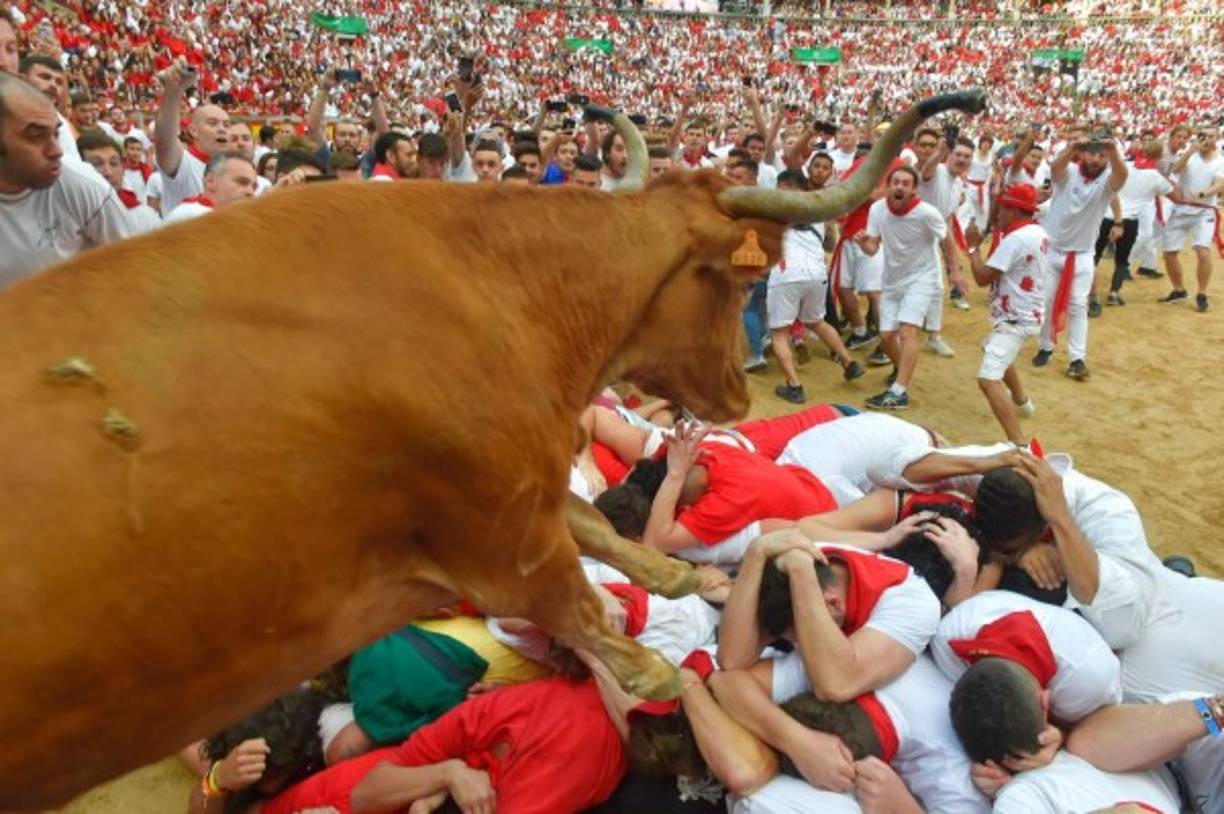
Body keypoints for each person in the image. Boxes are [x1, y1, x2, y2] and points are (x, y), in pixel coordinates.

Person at [0, 72, 132, 287]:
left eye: (55, 134)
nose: (56, 151)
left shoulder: (83, 184)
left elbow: (132, 269)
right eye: (35, 136)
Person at [1031, 132, 1127, 380]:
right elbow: (1056, 168)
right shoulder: (1069, 172)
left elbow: (1121, 176)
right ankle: (1045, 346)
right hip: (1052, 249)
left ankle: (1077, 357)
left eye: (1102, 155)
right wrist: (1071, 147)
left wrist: (1114, 153)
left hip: (1082, 254)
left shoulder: (1108, 180)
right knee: (1047, 300)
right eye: (1092, 153)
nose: (1096, 159)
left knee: (1078, 305)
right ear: (1082, 154)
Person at [766, 170, 864, 404]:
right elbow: (829, 243)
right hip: (817, 274)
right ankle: (849, 362)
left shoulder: (772, 211)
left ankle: (794, 385)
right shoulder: (819, 213)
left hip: (786, 273)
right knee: (816, 322)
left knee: (780, 332)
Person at [855, 165, 948, 410]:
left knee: (907, 332)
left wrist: (956, 272)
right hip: (892, 280)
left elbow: (946, 238)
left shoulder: (926, 213)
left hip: (922, 278)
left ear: (914, 189)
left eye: (906, 183)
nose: (899, 186)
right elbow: (873, 247)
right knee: (886, 337)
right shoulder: (877, 209)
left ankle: (899, 391)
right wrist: (865, 245)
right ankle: (900, 370)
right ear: (888, 186)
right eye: (895, 182)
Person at [963, 183, 1046, 445]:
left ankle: (1019, 444)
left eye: (1002, 207)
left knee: (988, 379)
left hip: (1015, 319)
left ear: (1013, 209)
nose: (997, 212)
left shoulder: (1016, 239)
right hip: (1025, 312)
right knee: (993, 350)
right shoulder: (1036, 231)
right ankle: (1022, 402)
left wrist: (973, 247)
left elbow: (982, 277)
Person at [1095, 140, 1177, 305]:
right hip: (1129, 220)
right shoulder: (1156, 177)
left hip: (1107, 215)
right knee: (1122, 260)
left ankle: (1089, 294)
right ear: (1160, 156)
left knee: (1093, 256)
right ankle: (1113, 293)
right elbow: (1178, 197)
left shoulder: (1124, 166)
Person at [1160, 124, 1224, 312]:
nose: (1208, 140)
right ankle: (1178, 289)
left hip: (1205, 210)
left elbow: (1220, 185)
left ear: (1217, 138)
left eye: (1212, 136)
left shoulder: (1220, 160)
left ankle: (1202, 293)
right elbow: (1176, 170)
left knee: (1203, 251)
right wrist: (1190, 152)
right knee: (1169, 253)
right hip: (1181, 208)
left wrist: (1202, 193)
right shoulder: (1188, 155)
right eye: (1204, 136)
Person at [154, 59, 231, 214]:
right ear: (193, 130)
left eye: (226, 125)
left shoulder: (232, 168)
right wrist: (174, 91)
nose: (222, 129)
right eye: (213, 123)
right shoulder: (183, 163)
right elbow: (164, 139)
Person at [76, 129, 161, 232]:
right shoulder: (68, 216)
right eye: (96, 164)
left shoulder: (144, 216)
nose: (108, 172)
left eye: (114, 163)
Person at [162, 153, 258, 224]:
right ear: (210, 181)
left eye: (254, 187)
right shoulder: (194, 214)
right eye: (242, 182)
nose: (250, 192)